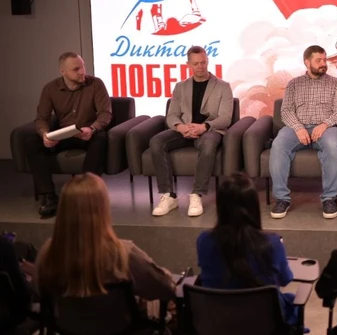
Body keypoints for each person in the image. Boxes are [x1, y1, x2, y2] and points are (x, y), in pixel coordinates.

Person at [33, 173, 175, 302]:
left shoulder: (47, 254)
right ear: (102, 208)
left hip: (64, 322)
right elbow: (166, 287)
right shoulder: (123, 255)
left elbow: (38, 293)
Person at [196, 173, 299, 325]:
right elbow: (286, 279)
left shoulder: (204, 241)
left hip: (218, 321)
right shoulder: (272, 244)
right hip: (264, 323)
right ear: (253, 206)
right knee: (292, 303)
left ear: (220, 207)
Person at [25, 52, 112, 218]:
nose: (82, 71)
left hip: (87, 133)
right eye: (76, 69)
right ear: (63, 72)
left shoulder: (95, 84)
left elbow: (105, 113)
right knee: (32, 141)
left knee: (101, 138)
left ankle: (85, 195)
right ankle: (49, 196)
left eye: (83, 66)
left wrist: (92, 128)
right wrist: (45, 135)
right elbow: (42, 118)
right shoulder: (50, 89)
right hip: (64, 134)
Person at [150, 46, 234, 217]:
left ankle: (197, 194)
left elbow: (226, 118)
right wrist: (180, 127)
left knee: (208, 144)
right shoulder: (180, 87)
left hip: (209, 130)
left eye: (203, 62)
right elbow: (172, 115)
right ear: (188, 64)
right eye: (196, 64)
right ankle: (168, 195)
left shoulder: (223, 86)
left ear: (207, 61)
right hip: (184, 129)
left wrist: (204, 126)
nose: (200, 66)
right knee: (156, 141)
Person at [269, 45, 337, 220]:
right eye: (318, 60)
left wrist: (324, 124)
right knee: (278, 144)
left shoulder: (336, 84)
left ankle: (329, 198)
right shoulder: (294, 84)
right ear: (307, 62)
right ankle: (282, 199)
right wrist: (298, 128)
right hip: (297, 127)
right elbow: (286, 111)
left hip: (326, 128)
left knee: (333, 146)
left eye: (324, 60)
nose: (323, 63)